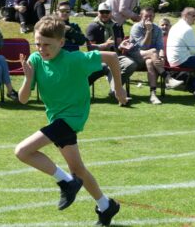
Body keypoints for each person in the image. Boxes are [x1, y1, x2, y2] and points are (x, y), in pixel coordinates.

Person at [15, 15, 127, 225]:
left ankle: (66, 183)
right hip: (57, 119)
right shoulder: (35, 60)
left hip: (72, 118)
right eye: (38, 43)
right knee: (78, 169)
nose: (41, 48)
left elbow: (111, 57)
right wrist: (29, 78)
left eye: (47, 45)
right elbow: (22, 100)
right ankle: (106, 206)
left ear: (61, 42)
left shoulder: (75, 59)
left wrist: (118, 87)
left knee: (22, 151)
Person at [127, 7, 183, 104]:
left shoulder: (157, 28)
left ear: (154, 16)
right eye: (146, 16)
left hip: (150, 58)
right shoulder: (136, 27)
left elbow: (160, 47)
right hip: (135, 56)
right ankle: (167, 78)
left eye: (151, 16)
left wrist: (161, 58)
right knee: (152, 51)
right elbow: (144, 46)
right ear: (141, 16)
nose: (148, 18)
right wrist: (149, 31)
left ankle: (153, 95)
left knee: (150, 62)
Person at [56, 1, 112, 87]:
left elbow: (82, 41)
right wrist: (72, 39)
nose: (65, 13)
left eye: (67, 11)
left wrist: (70, 30)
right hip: (59, 63)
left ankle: (116, 93)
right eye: (62, 11)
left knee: (105, 67)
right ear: (57, 11)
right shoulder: (52, 28)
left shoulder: (74, 26)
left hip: (76, 62)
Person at [86, 2, 137, 92]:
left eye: (107, 12)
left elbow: (119, 45)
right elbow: (90, 48)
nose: (105, 14)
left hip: (116, 56)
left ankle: (116, 89)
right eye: (102, 12)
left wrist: (122, 46)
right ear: (98, 13)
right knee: (110, 66)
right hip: (98, 57)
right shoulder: (93, 27)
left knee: (131, 64)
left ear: (111, 13)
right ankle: (117, 91)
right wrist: (104, 45)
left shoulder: (117, 26)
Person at [166, 7, 195, 98]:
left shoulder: (176, 26)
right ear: (186, 15)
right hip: (181, 59)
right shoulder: (187, 29)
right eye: (194, 16)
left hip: (174, 59)